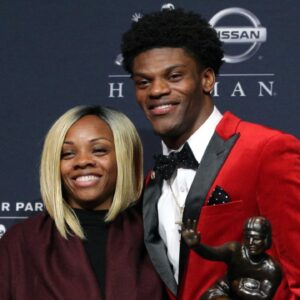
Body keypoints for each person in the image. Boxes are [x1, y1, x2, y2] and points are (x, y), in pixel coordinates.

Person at [120, 7, 300, 300]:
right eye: (144, 82)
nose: (156, 91)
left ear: (207, 79)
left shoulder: (266, 150)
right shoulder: (152, 181)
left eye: (174, 76)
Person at [0, 105, 166, 299]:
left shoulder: (156, 237)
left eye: (99, 150)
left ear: (126, 156)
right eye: (68, 153)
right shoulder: (22, 242)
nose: (82, 161)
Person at [182, 217, 282, 300]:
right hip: (221, 292)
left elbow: (264, 297)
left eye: (256, 239)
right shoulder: (235, 250)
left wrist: (241, 289)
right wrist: (197, 246)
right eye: (247, 238)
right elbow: (213, 253)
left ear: (266, 240)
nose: (251, 242)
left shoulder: (271, 269)